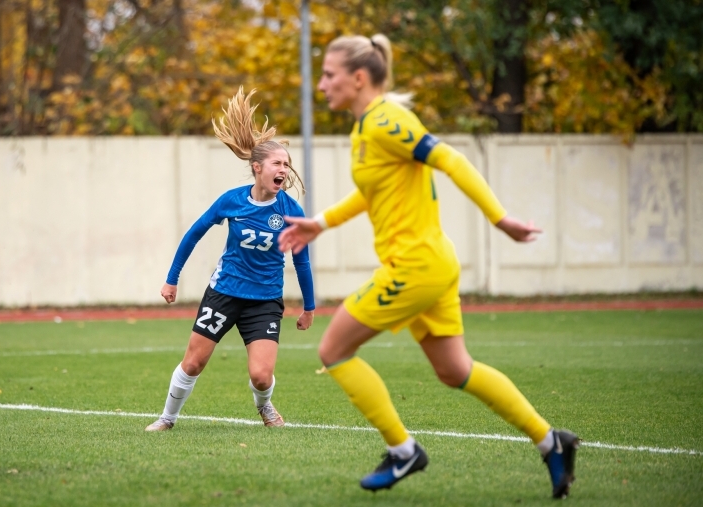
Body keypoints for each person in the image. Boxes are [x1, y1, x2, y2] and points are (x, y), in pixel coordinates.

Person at [278, 34, 579, 498]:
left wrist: (500, 219)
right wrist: (320, 223)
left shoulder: (387, 120)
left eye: (329, 75)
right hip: (432, 265)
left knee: (333, 350)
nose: (321, 85)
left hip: (415, 267)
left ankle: (403, 452)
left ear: (359, 78)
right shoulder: (365, 129)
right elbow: (371, 192)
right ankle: (551, 441)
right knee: (455, 370)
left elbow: (450, 158)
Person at [146, 88, 315, 432]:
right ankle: (167, 418)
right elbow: (193, 234)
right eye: (277, 163)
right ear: (257, 168)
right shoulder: (232, 201)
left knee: (261, 375)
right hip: (224, 292)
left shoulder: (291, 211)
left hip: (265, 300)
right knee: (193, 363)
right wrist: (172, 278)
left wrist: (310, 307)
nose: (284, 169)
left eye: (287, 164)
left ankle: (265, 407)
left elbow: (302, 262)